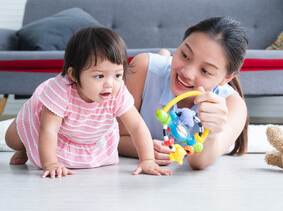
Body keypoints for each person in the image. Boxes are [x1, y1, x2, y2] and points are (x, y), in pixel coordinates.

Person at [5, 25, 172, 178]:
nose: (110, 84)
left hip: (89, 134)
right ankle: (24, 148)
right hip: (50, 129)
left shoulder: (117, 90)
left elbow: (136, 126)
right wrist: (51, 164)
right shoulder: (61, 91)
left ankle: (28, 148)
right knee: (12, 139)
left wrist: (147, 159)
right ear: (73, 74)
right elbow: (48, 130)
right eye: (99, 76)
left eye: (117, 75)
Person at [118, 17, 249, 170]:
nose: (187, 73)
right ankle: (164, 55)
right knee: (164, 61)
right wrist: (145, 148)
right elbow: (115, 137)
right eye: (185, 55)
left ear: (227, 78)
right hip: (160, 67)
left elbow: (198, 162)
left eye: (205, 71)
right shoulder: (144, 68)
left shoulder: (233, 104)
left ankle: (166, 55)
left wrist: (212, 133)